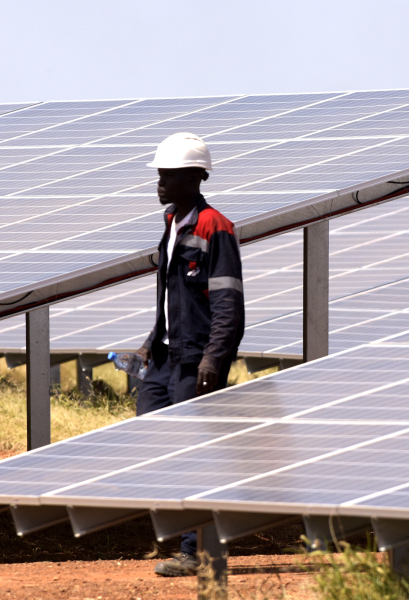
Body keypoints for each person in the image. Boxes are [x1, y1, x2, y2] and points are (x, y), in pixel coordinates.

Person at [136, 132, 245, 577]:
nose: (161, 182)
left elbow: (228, 305)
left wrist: (213, 360)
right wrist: (151, 338)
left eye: (171, 175)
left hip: (195, 359)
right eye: (160, 174)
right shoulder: (170, 222)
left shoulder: (214, 226)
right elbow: (170, 293)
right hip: (165, 356)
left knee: (197, 452)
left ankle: (197, 551)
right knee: (157, 438)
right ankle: (185, 535)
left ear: (196, 177)